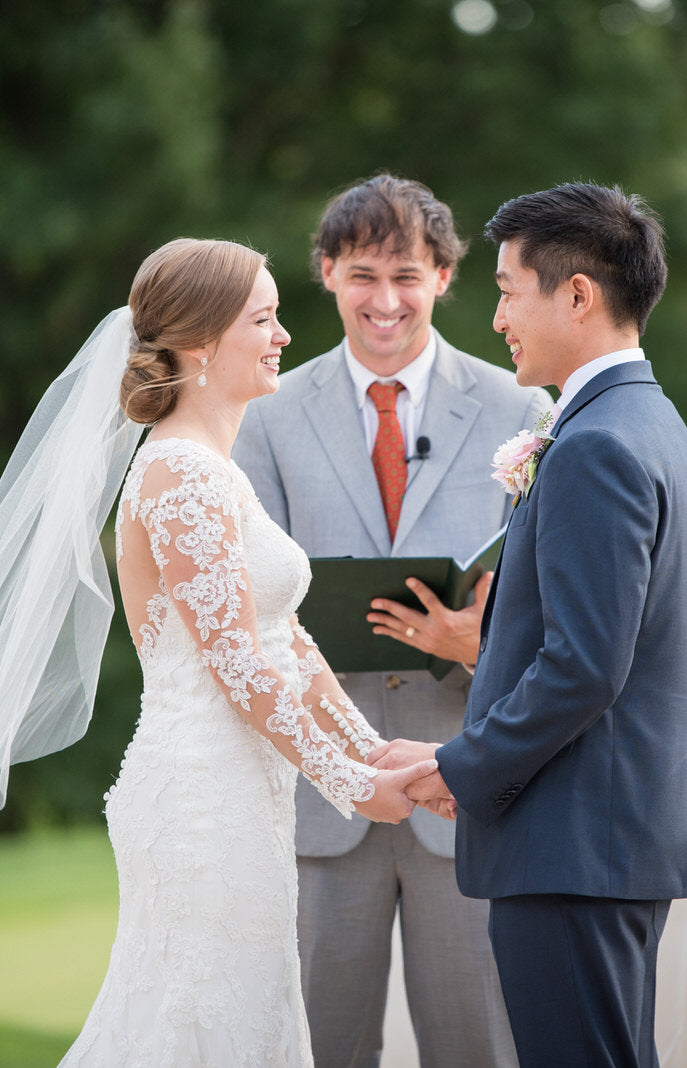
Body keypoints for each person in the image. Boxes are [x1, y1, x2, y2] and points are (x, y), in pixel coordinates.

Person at [0, 238, 437, 1066]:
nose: (286, 334)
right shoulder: (180, 474)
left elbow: (285, 640)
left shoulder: (217, 469)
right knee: (190, 1025)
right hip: (199, 799)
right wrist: (354, 785)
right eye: (265, 317)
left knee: (245, 1019)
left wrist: (373, 749)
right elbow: (238, 667)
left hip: (245, 794)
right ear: (203, 343)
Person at [371, 184, 687, 1067]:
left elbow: (583, 669)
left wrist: (457, 764)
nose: (495, 318)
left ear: (577, 295)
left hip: (575, 852)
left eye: (507, 289)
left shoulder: (598, 444)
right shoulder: (645, 422)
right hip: (598, 842)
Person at [233, 176, 547, 1066]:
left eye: (407, 275)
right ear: (327, 274)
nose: (385, 300)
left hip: (468, 791)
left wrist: (474, 648)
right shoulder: (267, 411)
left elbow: (555, 620)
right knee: (321, 1049)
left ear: (446, 277)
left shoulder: (521, 408)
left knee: (477, 1049)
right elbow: (252, 611)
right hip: (321, 800)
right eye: (363, 274)